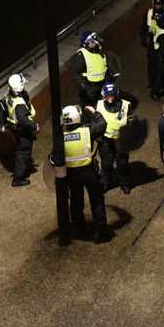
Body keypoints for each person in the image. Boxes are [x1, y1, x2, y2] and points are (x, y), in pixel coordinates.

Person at [60, 104, 114, 243]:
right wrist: (94, 112)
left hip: (71, 175)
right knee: (96, 201)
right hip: (89, 171)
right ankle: (100, 233)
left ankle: (80, 229)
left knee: (76, 202)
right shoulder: (87, 132)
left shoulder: (60, 137)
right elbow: (102, 124)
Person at [94, 82, 132, 194]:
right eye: (108, 96)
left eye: (112, 95)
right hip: (106, 141)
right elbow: (95, 122)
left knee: (122, 163)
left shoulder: (125, 105)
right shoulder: (99, 105)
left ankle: (124, 183)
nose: (110, 98)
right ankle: (105, 183)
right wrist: (98, 136)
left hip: (121, 140)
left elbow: (130, 121)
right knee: (106, 163)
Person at [5, 73, 38, 187]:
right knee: (23, 153)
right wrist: (34, 126)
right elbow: (24, 120)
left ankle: (22, 168)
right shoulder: (19, 104)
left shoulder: (10, 96)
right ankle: (17, 179)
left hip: (14, 127)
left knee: (22, 150)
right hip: (22, 129)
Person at [72, 30, 112, 111]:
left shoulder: (99, 50)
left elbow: (105, 64)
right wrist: (82, 85)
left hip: (101, 86)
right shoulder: (81, 55)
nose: (95, 44)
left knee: (102, 110)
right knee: (89, 111)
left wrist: (111, 75)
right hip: (89, 88)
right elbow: (75, 72)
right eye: (93, 43)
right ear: (86, 43)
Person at [141, 0, 164, 89]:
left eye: (160, 5)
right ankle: (152, 81)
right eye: (156, 4)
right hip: (152, 42)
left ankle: (162, 82)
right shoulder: (149, 13)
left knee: (163, 63)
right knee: (151, 63)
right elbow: (143, 28)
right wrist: (143, 39)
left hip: (163, 42)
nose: (158, 6)